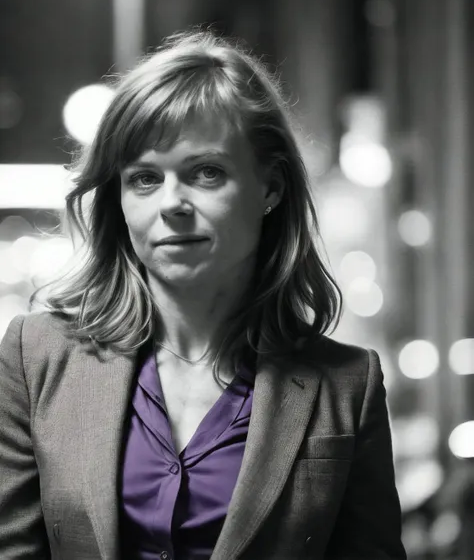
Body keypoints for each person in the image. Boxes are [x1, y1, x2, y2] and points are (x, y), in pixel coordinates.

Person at [0, 29, 406, 560]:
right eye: (144, 178)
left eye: (206, 172)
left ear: (271, 188)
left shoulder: (347, 387)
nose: (172, 203)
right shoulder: (37, 358)